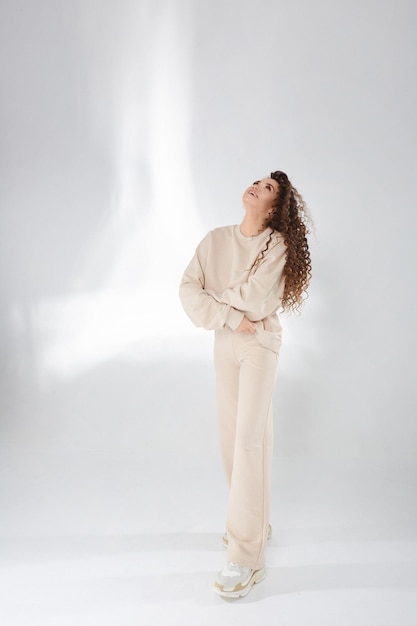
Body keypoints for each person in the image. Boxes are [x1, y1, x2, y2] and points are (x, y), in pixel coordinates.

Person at [179, 170, 312, 599]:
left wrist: (218, 300)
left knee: (249, 441)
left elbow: (257, 299)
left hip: (259, 342)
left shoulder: (278, 245)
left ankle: (246, 557)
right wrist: (231, 316)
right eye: (258, 181)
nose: (257, 185)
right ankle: (253, 522)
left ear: (275, 208)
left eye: (268, 188)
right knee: (231, 437)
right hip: (228, 338)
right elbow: (187, 291)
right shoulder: (215, 240)